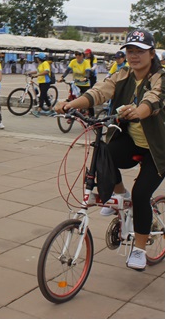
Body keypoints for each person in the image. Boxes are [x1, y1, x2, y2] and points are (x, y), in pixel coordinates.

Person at [55, 28, 163, 271]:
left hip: (157, 149)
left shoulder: (160, 77)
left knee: (141, 195)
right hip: (132, 140)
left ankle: (139, 249)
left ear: (152, 53)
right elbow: (99, 92)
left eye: (140, 51)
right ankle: (119, 193)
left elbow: (154, 99)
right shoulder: (123, 74)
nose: (135, 56)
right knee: (104, 152)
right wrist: (70, 104)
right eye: (131, 51)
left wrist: (139, 111)